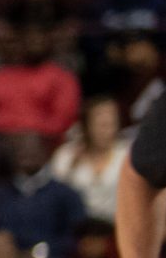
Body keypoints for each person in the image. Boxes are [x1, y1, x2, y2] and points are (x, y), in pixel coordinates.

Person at [0, 23, 80, 140]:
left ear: (48, 43)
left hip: (41, 140)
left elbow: (61, 122)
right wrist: (0, 130)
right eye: (28, 39)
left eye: (38, 40)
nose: (33, 43)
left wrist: (24, 130)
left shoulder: (62, 78)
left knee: (26, 143)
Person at [0, 132, 88, 258]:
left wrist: (43, 252)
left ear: (45, 152)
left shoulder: (66, 195)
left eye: (31, 147)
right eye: (20, 148)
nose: (25, 152)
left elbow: (76, 237)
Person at [49, 94, 131, 225]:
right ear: (86, 125)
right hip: (76, 229)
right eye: (101, 124)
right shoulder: (66, 155)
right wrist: (72, 167)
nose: (106, 131)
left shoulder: (128, 155)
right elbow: (54, 197)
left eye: (110, 124)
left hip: (118, 228)